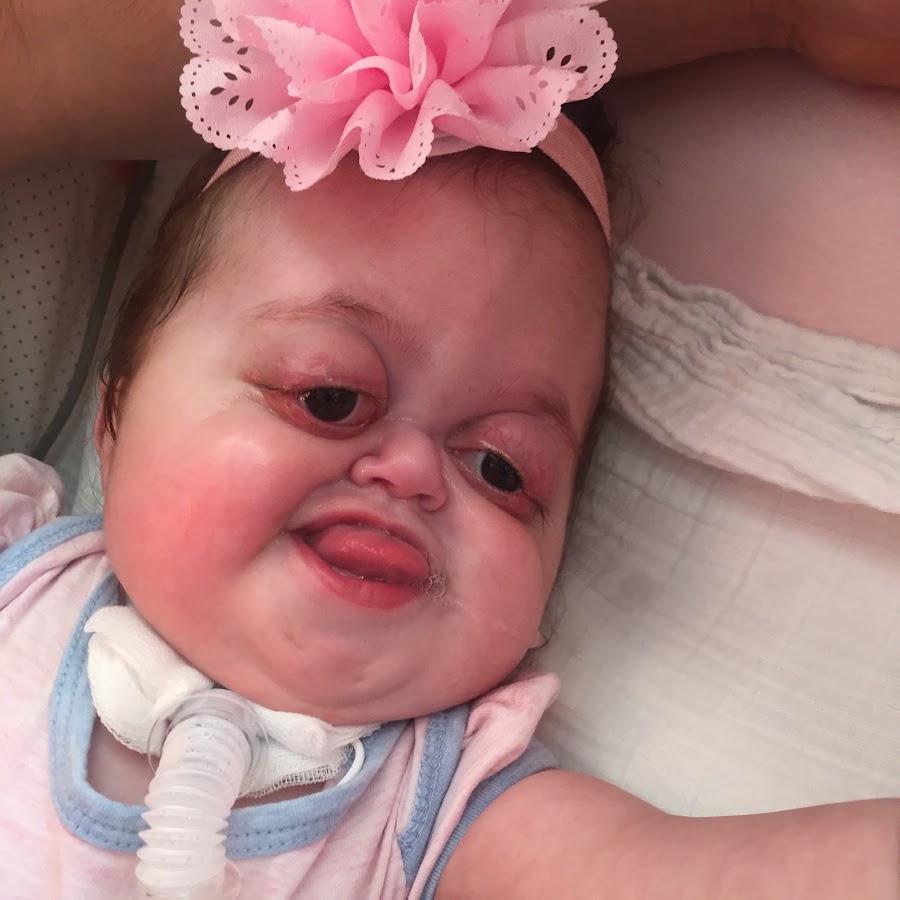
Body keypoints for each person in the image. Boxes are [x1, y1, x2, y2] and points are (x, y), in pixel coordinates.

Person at [0, 2, 897, 898]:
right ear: (112, 420)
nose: (412, 472)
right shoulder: (19, 578)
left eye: (501, 469)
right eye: (328, 397)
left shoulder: (445, 810)